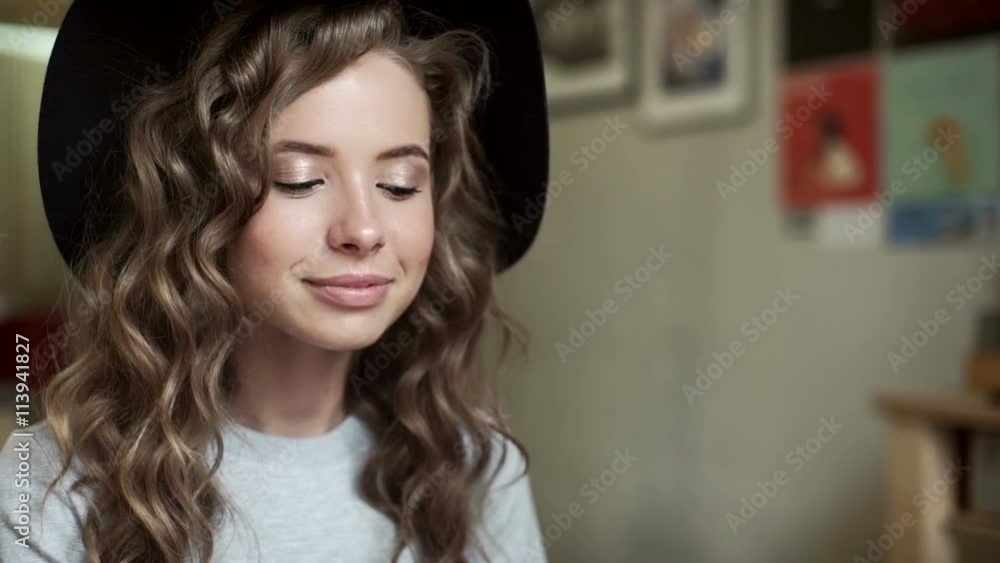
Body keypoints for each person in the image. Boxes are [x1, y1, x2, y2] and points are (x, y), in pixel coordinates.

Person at [0, 1, 551, 562]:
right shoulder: (46, 488)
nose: (362, 229)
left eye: (401, 184)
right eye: (300, 179)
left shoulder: (480, 468)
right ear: (198, 205)